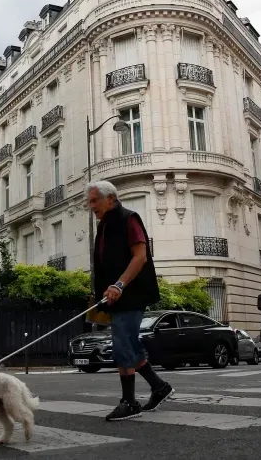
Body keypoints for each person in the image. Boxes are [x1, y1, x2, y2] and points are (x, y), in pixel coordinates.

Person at [87, 180, 172, 421]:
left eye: (95, 200)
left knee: (124, 344)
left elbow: (140, 256)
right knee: (126, 344)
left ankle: (130, 402)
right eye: (89, 201)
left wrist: (119, 284)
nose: (91, 206)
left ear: (110, 199)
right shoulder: (104, 226)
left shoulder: (128, 218)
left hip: (131, 293)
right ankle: (158, 387)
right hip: (114, 296)